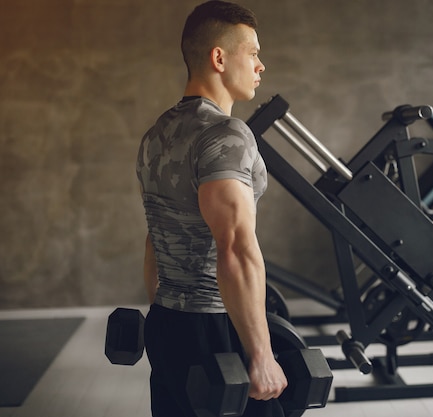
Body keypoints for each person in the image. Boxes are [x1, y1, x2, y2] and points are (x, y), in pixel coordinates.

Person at [136, 1, 287, 416]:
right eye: (253, 52)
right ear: (219, 57)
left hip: (166, 323)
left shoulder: (156, 134)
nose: (261, 65)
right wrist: (260, 355)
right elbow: (235, 247)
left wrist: (159, 318)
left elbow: (155, 238)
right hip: (217, 328)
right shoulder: (225, 134)